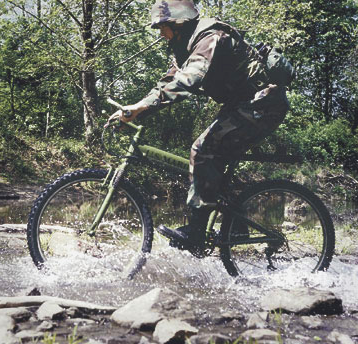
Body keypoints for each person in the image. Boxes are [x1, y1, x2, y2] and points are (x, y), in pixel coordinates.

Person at [108, 0, 290, 252]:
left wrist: (140, 108)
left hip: (263, 104)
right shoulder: (183, 45)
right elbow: (168, 82)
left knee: (202, 150)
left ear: (178, 22)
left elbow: (188, 81)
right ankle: (236, 227)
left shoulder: (210, 37)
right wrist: (137, 110)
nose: (161, 34)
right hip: (243, 104)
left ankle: (196, 233)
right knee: (214, 160)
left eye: (163, 27)